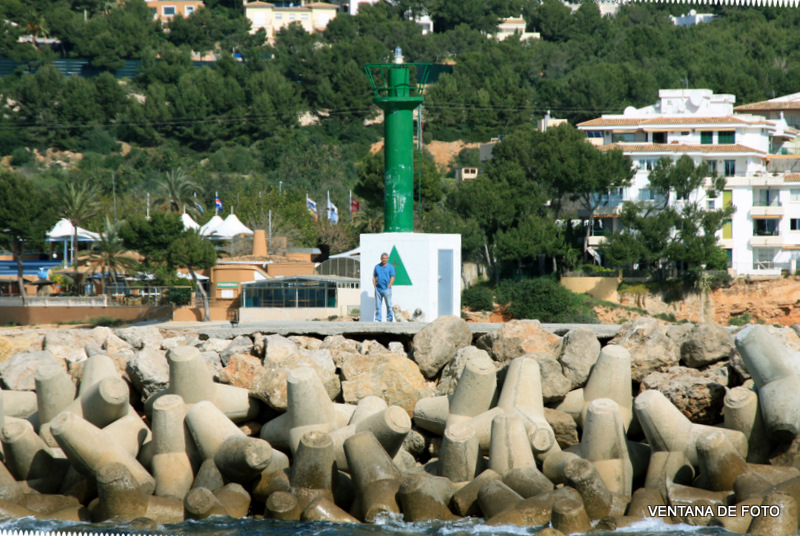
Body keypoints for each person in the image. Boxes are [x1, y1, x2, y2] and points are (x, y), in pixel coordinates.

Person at [373, 252, 395, 322]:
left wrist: (389, 286)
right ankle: (378, 319)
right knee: (378, 306)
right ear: (381, 259)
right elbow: (374, 276)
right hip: (378, 289)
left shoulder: (391, 267)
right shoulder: (377, 266)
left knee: (389, 305)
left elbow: (392, 277)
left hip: (386, 289)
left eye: (385, 258)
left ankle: (389, 319)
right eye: (383, 258)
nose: (384, 260)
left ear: (387, 259)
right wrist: (375, 286)